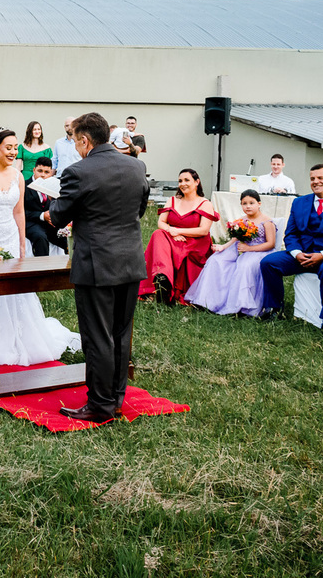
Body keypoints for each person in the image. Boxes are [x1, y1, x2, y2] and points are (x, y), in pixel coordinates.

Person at [43, 112, 150, 423]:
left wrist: (52, 207)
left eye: (77, 142)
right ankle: (116, 398)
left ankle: (100, 405)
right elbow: (139, 210)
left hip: (96, 263)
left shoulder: (78, 172)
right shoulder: (136, 166)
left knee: (97, 336)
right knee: (121, 332)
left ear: (85, 140)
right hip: (129, 259)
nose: (76, 147)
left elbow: (60, 216)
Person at [0, 130, 80, 365]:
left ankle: (19, 337)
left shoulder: (17, 175)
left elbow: (18, 212)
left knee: (12, 288)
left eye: (16, 148)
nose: (13, 152)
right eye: (8, 147)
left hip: (9, 235)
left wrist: (20, 243)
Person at [259, 164, 323, 332]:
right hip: (304, 254)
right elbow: (291, 234)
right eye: (312, 178)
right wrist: (297, 253)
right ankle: (275, 308)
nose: (316, 182)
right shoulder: (299, 202)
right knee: (269, 262)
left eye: (320, 178)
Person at [184, 189, 276, 316]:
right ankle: (207, 300)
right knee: (215, 260)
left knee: (244, 265)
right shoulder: (241, 220)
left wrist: (249, 249)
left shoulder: (267, 221)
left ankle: (242, 306)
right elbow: (234, 239)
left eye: (251, 203)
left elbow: (270, 244)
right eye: (244, 203)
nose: (248, 206)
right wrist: (223, 247)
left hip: (259, 251)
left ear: (259, 204)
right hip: (240, 248)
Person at [138, 168, 219, 305]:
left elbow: (204, 230)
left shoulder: (205, 203)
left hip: (195, 243)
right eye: (180, 181)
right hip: (173, 238)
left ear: (197, 182)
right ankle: (163, 278)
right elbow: (161, 223)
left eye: (187, 180)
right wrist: (172, 231)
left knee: (164, 238)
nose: (183, 183)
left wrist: (179, 232)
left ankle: (167, 284)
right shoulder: (173, 200)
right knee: (158, 234)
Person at [23, 157, 67, 256]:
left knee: (66, 236)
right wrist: (42, 215)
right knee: (40, 237)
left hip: (50, 224)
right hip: (31, 223)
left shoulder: (54, 186)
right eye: (40, 171)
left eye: (46, 172)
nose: (43, 175)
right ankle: (43, 269)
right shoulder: (24, 186)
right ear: (34, 170)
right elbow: (21, 211)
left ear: (51, 173)